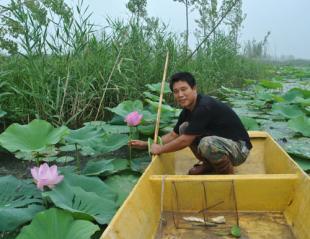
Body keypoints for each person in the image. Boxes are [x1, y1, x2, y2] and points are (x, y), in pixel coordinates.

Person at [129, 72, 252, 174]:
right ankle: (210, 165)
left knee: (207, 144)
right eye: (176, 91)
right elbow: (174, 135)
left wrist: (161, 149)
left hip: (240, 149)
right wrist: (147, 144)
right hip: (222, 143)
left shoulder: (204, 106)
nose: (180, 95)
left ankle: (227, 175)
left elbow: (184, 141)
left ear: (194, 89)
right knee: (184, 128)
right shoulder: (187, 111)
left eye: (184, 89)